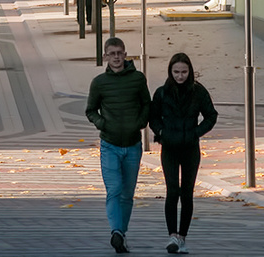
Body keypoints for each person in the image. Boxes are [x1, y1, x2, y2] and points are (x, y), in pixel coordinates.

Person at [86, 36, 151, 254]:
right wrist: (102, 123)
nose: (116, 57)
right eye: (112, 53)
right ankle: (116, 230)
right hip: (110, 145)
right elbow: (90, 110)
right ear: (105, 56)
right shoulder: (99, 83)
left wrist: (140, 122)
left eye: (119, 53)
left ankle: (120, 234)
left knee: (127, 194)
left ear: (125, 54)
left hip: (133, 144)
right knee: (114, 189)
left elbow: (146, 104)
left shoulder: (138, 79)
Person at [149, 52, 218, 255]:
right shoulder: (162, 93)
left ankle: (182, 237)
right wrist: (162, 132)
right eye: (176, 72)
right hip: (169, 147)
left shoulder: (198, 92)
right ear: (170, 71)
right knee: (172, 191)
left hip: (190, 148)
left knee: (187, 193)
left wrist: (195, 133)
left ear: (190, 72)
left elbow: (211, 115)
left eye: (184, 72)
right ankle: (172, 235)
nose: (180, 76)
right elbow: (153, 117)